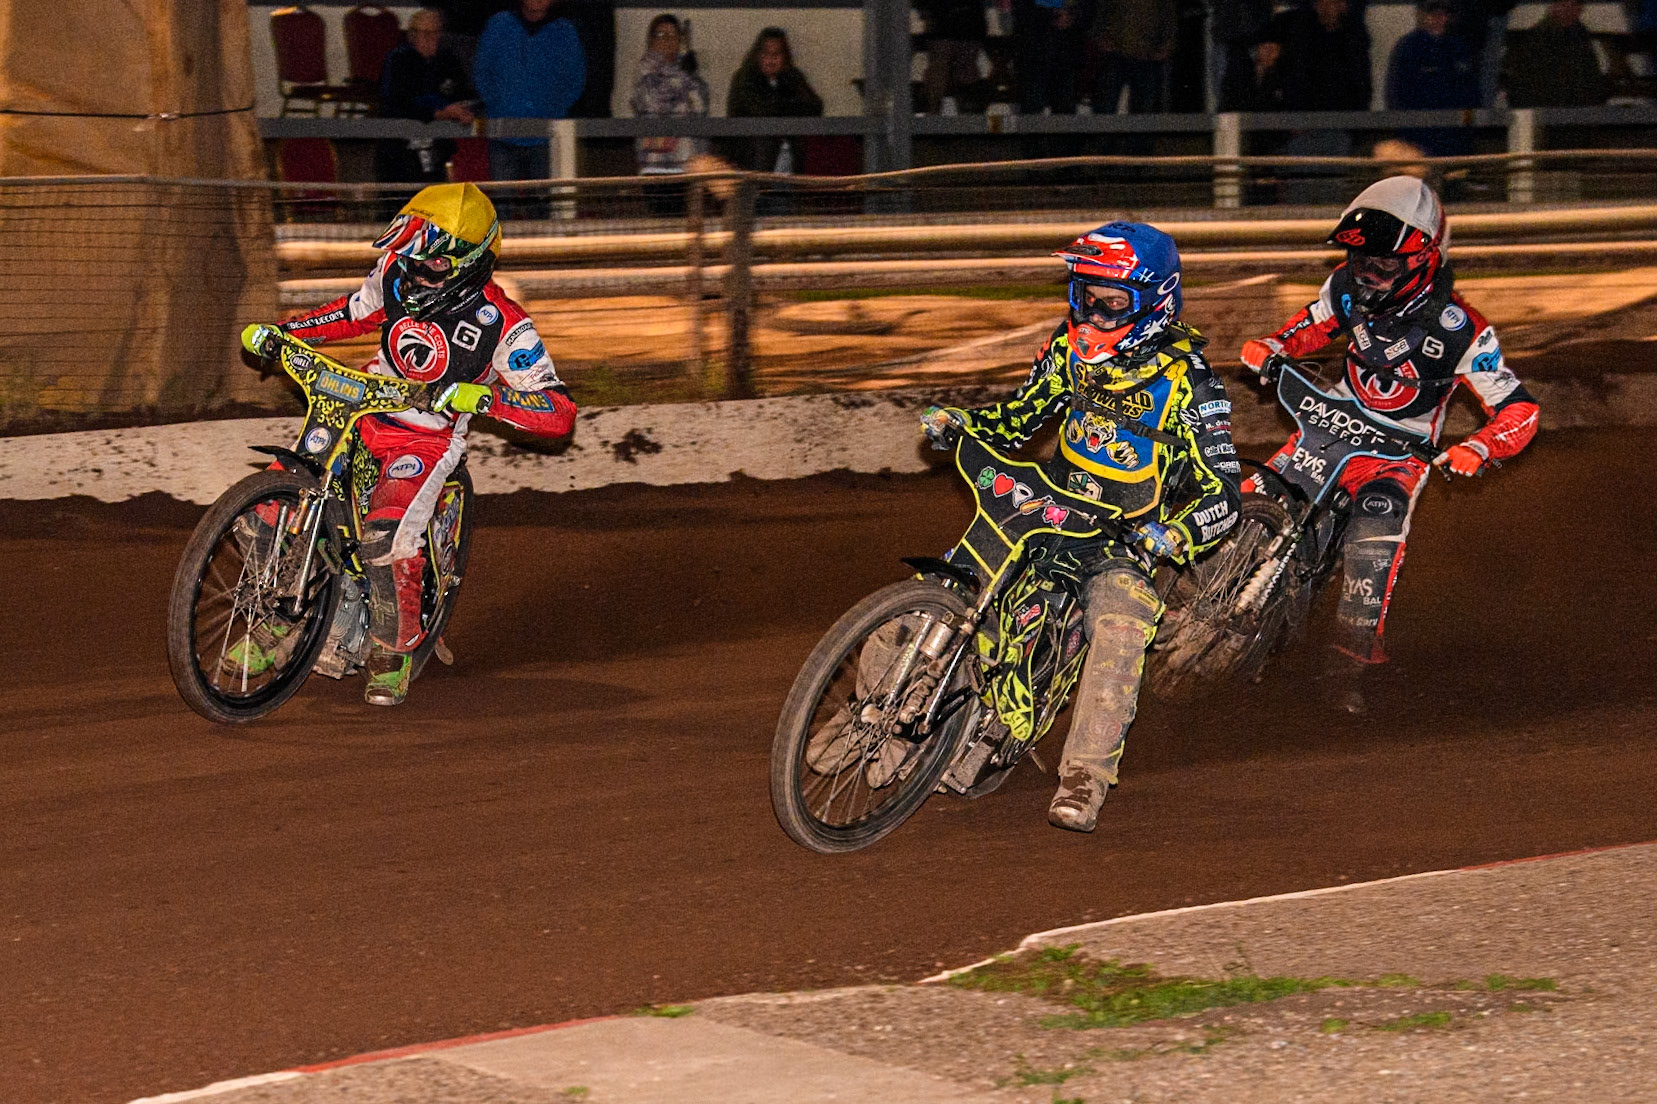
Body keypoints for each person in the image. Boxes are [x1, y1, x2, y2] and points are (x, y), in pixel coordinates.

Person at [919, 223, 1242, 833]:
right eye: (1086, 293)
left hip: (1123, 539)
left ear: (1155, 303)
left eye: (1113, 301)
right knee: (942, 592)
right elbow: (1018, 417)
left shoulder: (1191, 383)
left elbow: (1223, 492)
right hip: (1044, 509)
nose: (1094, 310)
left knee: (1122, 625)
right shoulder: (1068, 350)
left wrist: (1173, 535)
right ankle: (864, 725)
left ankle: (1085, 777)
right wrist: (963, 422)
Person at [248, 183, 577, 707]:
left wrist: (485, 397)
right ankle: (279, 620)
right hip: (360, 404)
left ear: (467, 264)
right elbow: (352, 313)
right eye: (411, 258)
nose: (416, 272)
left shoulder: (505, 326)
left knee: (383, 535)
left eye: (432, 265)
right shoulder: (396, 274)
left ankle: (394, 646)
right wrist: (285, 333)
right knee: (269, 503)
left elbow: (558, 412)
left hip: (425, 435)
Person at [1239, 177, 1539, 713]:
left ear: (1424, 258)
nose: (1369, 276)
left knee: (1374, 536)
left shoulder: (1460, 329)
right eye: (1361, 262)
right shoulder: (1345, 286)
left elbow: (1520, 408)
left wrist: (1481, 447)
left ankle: (1348, 664)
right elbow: (1311, 327)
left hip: (1395, 455)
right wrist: (1274, 345)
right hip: (1328, 425)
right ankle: (1191, 595)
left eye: (1383, 266)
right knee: (1250, 491)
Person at [472, 0, 587, 182]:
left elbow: (575, 79)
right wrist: (496, 104)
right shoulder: (499, 25)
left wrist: (554, 111)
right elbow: (482, 71)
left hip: (547, 134)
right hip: (503, 131)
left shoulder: (565, 31)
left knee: (545, 202)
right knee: (502, 202)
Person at [374, 9, 476, 188]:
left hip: (437, 152)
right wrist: (438, 113)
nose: (431, 38)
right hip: (399, 153)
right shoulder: (397, 60)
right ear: (412, 34)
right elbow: (394, 101)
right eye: (425, 33)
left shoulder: (448, 60)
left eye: (435, 33)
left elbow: (463, 93)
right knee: (401, 210)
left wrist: (464, 109)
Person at [725, 28, 823, 174]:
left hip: (790, 155)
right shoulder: (744, 78)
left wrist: (785, 99)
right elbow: (761, 112)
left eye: (776, 54)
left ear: (785, 56)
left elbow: (815, 106)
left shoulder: (792, 77)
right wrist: (789, 105)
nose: (771, 60)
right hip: (752, 159)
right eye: (766, 54)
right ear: (757, 55)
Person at [1385, 0, 1479, 155]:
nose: (1438, 18)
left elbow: (1471, 92)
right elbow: (1396, 93)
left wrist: (1468, 130)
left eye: (1443, 14)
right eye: (1433, 13)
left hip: (1455, 136)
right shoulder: (1408, 47)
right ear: (1421, 15)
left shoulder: (1459, 46)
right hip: (1418, 135)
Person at [629, 14, 710, 179]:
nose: (667, 40)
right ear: (651, 40)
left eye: (673, 35)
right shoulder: (643, 71)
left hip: (685, 160)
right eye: (661, 35)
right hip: (653, 161)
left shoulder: (687, 69)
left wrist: (690, 74)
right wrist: (682, 87)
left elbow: (700, 106)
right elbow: (652, 104)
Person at [1502, 0, 1609, 108]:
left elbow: (1591, 79)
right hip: (1545, 110)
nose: (1569, 9)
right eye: (1563, 4)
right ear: (1553, 6)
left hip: (1576, 111)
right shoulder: (1536, 38)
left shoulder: (1581, 37)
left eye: (1575, 5)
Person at [1089, 0, 1177, 113]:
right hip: (1116, 52)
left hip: (1146, 54)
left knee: (1143, 111)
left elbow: (1169, 13)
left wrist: (1167, 45)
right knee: (1105, 108)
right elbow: (1101, 10)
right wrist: (1099, 37)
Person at [918, 0, 989, 112]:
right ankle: (966, 115)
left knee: (943, 66)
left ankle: (936, 114)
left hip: (948, 20)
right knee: (961, 68)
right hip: (963, 20)